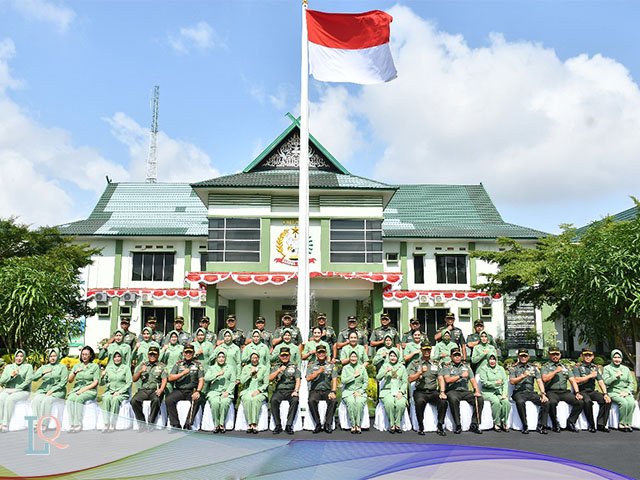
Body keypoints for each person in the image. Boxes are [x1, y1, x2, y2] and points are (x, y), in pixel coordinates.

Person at [439, 349, 483, 434]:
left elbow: (473, 380)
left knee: (479, 399)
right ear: (451, 356)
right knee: (453, 399)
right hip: (453, 390)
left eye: (459, 355)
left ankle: (474, 424)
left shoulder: (466, 367)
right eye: (455, 355)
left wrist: (476, 390)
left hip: (465, 391)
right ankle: (458, 424)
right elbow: (447, 380)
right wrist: (460, 376)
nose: (457, 357)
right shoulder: (447, 367)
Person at [407, 343, 447, 436]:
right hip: (420, 391)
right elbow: (409, 379)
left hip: (433, 391)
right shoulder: (415, 363)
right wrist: (419, 372)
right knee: (419, 403)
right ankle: (421, 426)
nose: (427, 352)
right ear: (421, 350)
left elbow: (440, 378)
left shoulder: (436, 363)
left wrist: (442, 392)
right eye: (425, 349)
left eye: (428, 350)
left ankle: (440, 425)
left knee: (443, 401)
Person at [541, 347, 583, 432]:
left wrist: (577, 392)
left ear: (560, 355)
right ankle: (555, 424)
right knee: (552, 403)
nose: (555, 356)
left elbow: (572, 380)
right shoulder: (546, 366)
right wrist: (555, 371)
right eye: (553, 354)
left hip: (564, 392)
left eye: (557, 354)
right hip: (552, 391)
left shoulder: (565, 367)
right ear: (549, 355)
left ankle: (571, 422)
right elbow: (544, 379)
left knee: (580, 402)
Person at [509, 348, 549, 434]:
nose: (523, 358)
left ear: (528, 357)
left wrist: (543, 393)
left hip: (530, 392)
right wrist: (522, 376)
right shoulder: (514, 368)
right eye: (521, 356)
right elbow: (512, 381)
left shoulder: (533, 368)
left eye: (525, 356)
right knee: (520, 402)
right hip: (519, 392)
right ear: (518, 356)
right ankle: (524, 425)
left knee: (546, 402)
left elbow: (539, 381)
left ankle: (541, 425)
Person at [166, 345, 205, 431]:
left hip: (192, 390)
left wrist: (198, 391)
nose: (188, 354)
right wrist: (182, 373)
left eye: (190, 352)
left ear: (193, 353)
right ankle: (175, 424)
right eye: (186, 352)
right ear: (183, 353)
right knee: (169, 399)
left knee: (197, 399)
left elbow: (201, 380)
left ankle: (188, 423)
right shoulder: (178, 364)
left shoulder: (198, 364)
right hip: (180, 390)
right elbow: (170, 378)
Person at [573, 348, 612, 432]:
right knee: (587, 402)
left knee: (606, 400)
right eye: (585, 355)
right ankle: (591, 425)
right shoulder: (577, 367)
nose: (587, 357)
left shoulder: (595, 368)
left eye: (589, 355)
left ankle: (601, 424)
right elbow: (576, 380)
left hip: (591, 391)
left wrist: (605, 394)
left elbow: (601, 381)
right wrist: (590, 376)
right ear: (582, 356)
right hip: (581, 391)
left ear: (593, 356)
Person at [131, 346, 167, 431]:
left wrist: (161, 389)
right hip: (144, 390)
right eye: (150, 354)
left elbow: (164, 379)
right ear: (148, 355)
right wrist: (140, 371)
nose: (152, 356)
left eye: (154, 354)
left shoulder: (162, 366)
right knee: (134, 401)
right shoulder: (143, 365)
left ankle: (151, 423)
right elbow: (134, 379)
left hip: (155, 390)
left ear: (158, 355)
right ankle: (142, 423)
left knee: (156, 400)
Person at [31, 348, 68, 431]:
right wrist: (43, 373)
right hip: (44, 390)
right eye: (51, 356)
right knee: (36, 400)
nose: (52, 358)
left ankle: (44, 424)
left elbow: (63, 382)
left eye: (54, 356)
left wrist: (52, 390)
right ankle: (36, 423)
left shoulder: (62, 367)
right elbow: (33, 378)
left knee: (47, 401)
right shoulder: (44, 367)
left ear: (58, 356)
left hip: (58, 391)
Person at [67, 346, 100, 433]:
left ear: (90, 356)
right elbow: (70, 381)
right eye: (83, 354)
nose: (84, 356)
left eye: (86, 354)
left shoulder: (95, 366)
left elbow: (95, 382)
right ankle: (72, 424)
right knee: (70, 399)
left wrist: (83, 390)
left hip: (90, 390)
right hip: (77, 389)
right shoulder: (77, 366)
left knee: (79, 399)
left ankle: (78, 424)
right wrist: (75, 372)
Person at [306, 345, 338, 433]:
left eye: (323, 352)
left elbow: (334, 379)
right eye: (319, 352)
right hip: (315, 390)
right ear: (316, 354)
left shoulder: (331, 365)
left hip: (327, 390)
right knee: (311, 401)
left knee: (334, 401)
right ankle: (318, 424)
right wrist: (318, 372)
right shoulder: (311, 365)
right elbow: (308, 378)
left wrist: (333, 391)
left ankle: (328, 424)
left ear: (326, 353)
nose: (321, 354)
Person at [269, 347, 301, 435]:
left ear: (289, 356)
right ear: (279, 356)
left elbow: (298, 380)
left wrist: (296, 391)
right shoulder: (276, 366)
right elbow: (270, 378)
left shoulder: (294, 366)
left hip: (291, 390)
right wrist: (279, 370)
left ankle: (289, 425)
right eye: (283, 355)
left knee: (295, 400)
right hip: (279, 390)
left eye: (286, 355)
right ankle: (278, 425)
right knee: (273, 400)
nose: (284, 357)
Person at [0, 349, 33, 433]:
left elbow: (28, 381)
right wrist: (11, 376)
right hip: (8, 390)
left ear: (24, 357)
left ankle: (5, 424)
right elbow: (2, 381)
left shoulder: (28, 367)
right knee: (1, 397)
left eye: (21, 356)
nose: (19, 358)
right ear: (15, 357)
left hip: (23, 391)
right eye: (17, 356)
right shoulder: (9, 367)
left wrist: (16, 389)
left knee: (10, 399)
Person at [100, 348, 132, 433]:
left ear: (122, 358)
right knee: (106, 399)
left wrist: (119, 392)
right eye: (115, 357)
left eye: (119, 356)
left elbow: (129, 382)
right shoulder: (109, 368)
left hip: (122, 393)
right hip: (110, 391)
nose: (117, 358)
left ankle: (112, 424)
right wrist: (102, 376)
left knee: (115, 399)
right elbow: (102, 383)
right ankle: (106, 423)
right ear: (112, 358)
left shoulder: (126, 368)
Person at [603, 349, 635, 432]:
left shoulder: (626, 369)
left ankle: (628, 424)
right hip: (613, 391)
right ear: (612, 358)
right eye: (615, 357)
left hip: (624, 391)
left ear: (621, 358)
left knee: (632, 403)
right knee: (623, 403)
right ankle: (622, 423)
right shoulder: (607, 368)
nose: (617, 359)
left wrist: (627, 391)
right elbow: (605, 382)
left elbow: (631, 383)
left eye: (619, 357)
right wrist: (614, 376)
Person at [376, 349, 408, 433]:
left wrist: (401, 391)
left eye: (394, 356)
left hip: (398, 390)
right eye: (391, 356)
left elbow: (405, 382)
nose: (392, 358)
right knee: (389, 402)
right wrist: (385, 371)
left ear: (398, 357)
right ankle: (392, 424)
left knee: (400, 403)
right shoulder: (385, 365)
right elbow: (378, 377)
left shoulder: (402, 367)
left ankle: (398, 424)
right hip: (387, 390)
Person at [204, 351, 236, 433]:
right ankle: (216, 424)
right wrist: (217, 374)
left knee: (224, 402)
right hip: (214, 391)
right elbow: (206, 378)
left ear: (225, 358)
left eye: (223, 357)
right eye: (219, 357)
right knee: (215, 402)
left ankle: (222, 424)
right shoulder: (212, 368)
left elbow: (233, 381)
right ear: (216, 358)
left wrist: (228, 392)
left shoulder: (230, 367)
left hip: (226, 391)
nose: (221, 359)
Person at [239, 352, 269, 434]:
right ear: (250, 359)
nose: (254, 360)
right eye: (253, 358)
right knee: (247, 399)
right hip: (247, 390)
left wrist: (259, 390)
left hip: (259, 391)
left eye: (256, 358)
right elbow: (242, 381)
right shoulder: (246, 368)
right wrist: (250, 373)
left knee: (256, 399)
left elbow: (266, 383)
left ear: (258, 358)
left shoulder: (263, 368)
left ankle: (254, 424)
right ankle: (249, 424)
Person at [479, 353, 510, 432]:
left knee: (506, 402)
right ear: (488, 360)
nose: (492, 361)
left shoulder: (501, 369)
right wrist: (495, 383)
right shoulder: (483, 369)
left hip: (499, 392)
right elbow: (484, 382)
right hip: (487, 392)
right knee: (496, 401)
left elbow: (505, 382)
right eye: (490, 359)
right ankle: (497, 422)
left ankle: (504, 421)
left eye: (494, 359)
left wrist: (504, 393)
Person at [341, 351, 368, 434]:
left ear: (358, 358)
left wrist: (361, 391)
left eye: (355, 357)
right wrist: (353, 376)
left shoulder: (362, 368)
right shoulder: (345, 368)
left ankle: (358, 425)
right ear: (349, 358)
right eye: (352, 357)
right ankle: (353, 425)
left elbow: (366, 382)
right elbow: (343, 381)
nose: (353, 359)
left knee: (359, 402)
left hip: (360, 392)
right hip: (348, 391)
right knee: (351, 402)